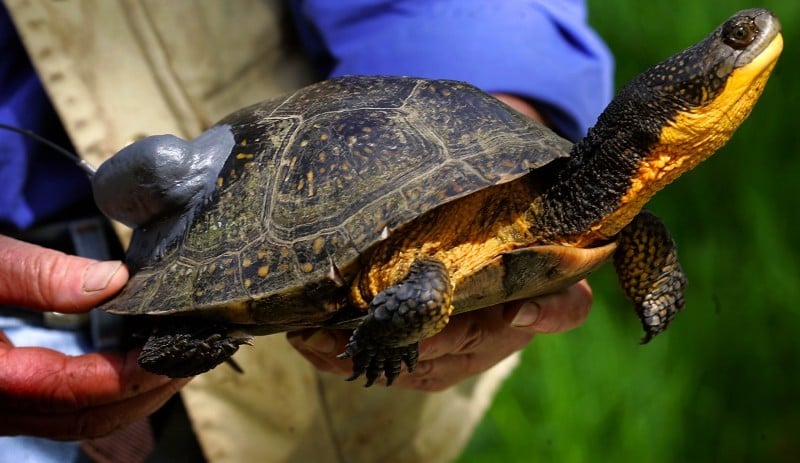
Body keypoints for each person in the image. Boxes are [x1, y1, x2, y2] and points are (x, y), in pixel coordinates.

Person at [0, 0, 612, 461]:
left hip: (311, 405)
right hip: (57, 302)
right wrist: (386, 336)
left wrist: (500, 130)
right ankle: (195, 326)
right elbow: (418, 289)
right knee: (414, 290)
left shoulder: (583, 200)